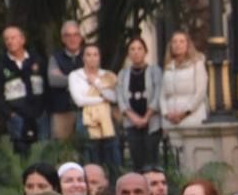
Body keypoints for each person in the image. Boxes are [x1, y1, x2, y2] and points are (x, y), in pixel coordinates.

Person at [0, 25, 47, 154]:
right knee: (20, 155)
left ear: (22, 40)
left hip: (39, 116)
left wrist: (44, 110)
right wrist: (10, 114)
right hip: (17, 118)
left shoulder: (37, 61)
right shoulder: (1, 66)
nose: (10, 41)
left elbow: (46, 87)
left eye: (13, 38)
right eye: (6, 39)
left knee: (43, 152)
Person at [69, 44, 121, 173]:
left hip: (107, 121)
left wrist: (97, 83)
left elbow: (114, 97)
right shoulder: (75, 76)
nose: (92, 58)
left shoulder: (107, 76)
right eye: (88, 54)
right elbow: (80, 101)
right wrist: (102, 100)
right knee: (90, 159)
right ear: (83, 58)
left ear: (99, 57)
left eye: (95, 55)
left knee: (112, 158)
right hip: (86, 121)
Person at [117, 36, 162, 170]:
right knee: (137, 160)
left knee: (151, 159)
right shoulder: (123, 74)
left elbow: (158, 94)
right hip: (132, 123)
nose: (136, 52)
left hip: (151, 122)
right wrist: (133, 117)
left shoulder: (155, 71)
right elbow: (121, 98)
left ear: (145, 51)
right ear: (128, 53)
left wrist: (146, 117)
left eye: (139, 48)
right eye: (132, 49)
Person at [161, 30, 209, 139]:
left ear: (188, 45)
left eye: (182, 41)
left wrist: (184, 113)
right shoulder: (168, 67)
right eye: (175, 42)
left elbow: (200, 92)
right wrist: (166, 114)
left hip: (192, 119)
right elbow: (162, 95)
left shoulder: (197, 64)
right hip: (171, 121)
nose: (178, 45)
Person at [45, 20, 86, 141]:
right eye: (68, 35)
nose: (72, 39)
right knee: (61, 150)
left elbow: (95, 78)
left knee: (87, 148)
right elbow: (54, 80)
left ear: (80, 38)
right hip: (62, 112)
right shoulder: (56, 58)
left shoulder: (88, 55)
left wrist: (66, 78)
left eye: (76, 35)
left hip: (86, 112)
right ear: (63, 39)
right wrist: (80, 78)